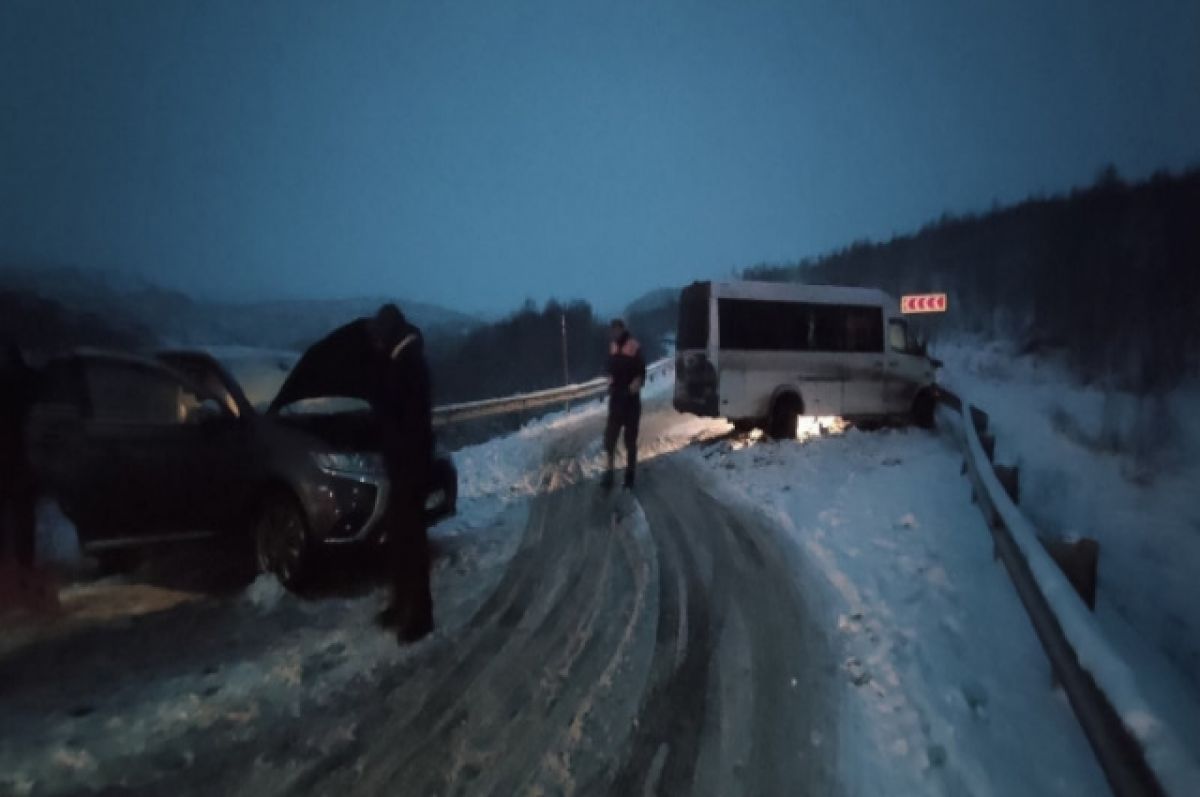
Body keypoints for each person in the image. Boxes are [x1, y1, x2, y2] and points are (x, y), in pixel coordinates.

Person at [365, 304, 436, 643]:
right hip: (404, 465)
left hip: (410, 466)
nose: (376, 342)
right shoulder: (400, 362)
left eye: (380, 335)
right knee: (400, 540)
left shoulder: (408, 365)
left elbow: (403, 416)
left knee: (412, 543)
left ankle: (421, 615)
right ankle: (402, 603)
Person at [0, 345, 38, 570]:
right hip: (20, 455)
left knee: (17, 510)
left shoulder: (8, 382)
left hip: (13, 455)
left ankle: (13, 565)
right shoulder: (26, 382)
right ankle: (25, 564)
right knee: (23, 513)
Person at [602, 319, 646, 490]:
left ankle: (630, 476)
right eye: (612, 330)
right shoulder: (612, 346)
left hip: (630, 402)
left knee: (630, 441)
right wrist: (609, 380)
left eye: (617, 329)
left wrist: (634, 386)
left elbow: (641, 371)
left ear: (623, 329)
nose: (614, 333)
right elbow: (609, 368)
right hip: (615, 401)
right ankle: (609, 474)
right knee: (609, 440)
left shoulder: (634, 346)